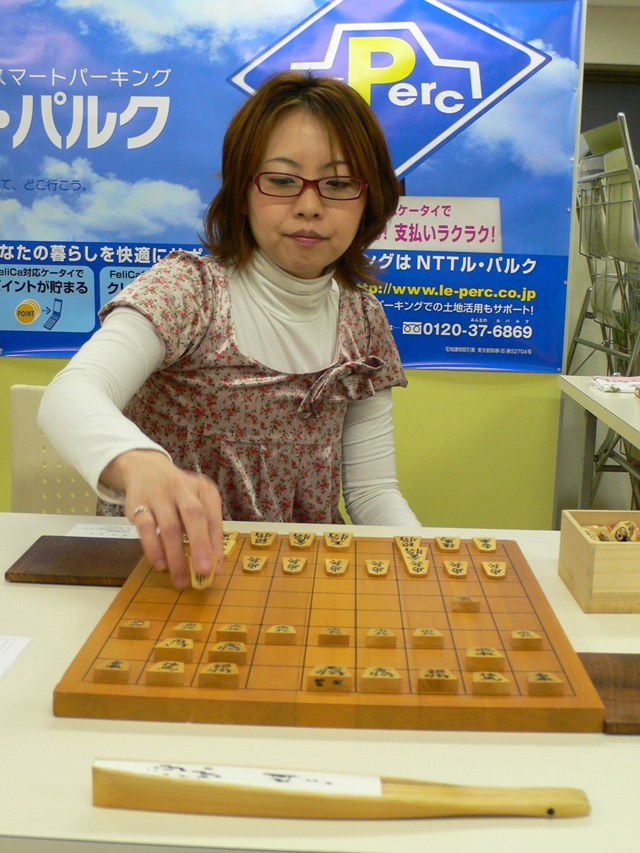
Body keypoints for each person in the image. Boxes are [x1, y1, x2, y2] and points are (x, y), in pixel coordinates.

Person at [38, 71, 420, 589]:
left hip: (300, 582)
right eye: (282, 181)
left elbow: (373, 493)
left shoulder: (364, 318)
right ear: (242, 193)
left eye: (338, 183)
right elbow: (71, 393)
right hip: (169, 576)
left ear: (367, 199)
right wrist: (140, 464)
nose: (309, 205)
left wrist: (428, 568)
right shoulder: (190, 291)